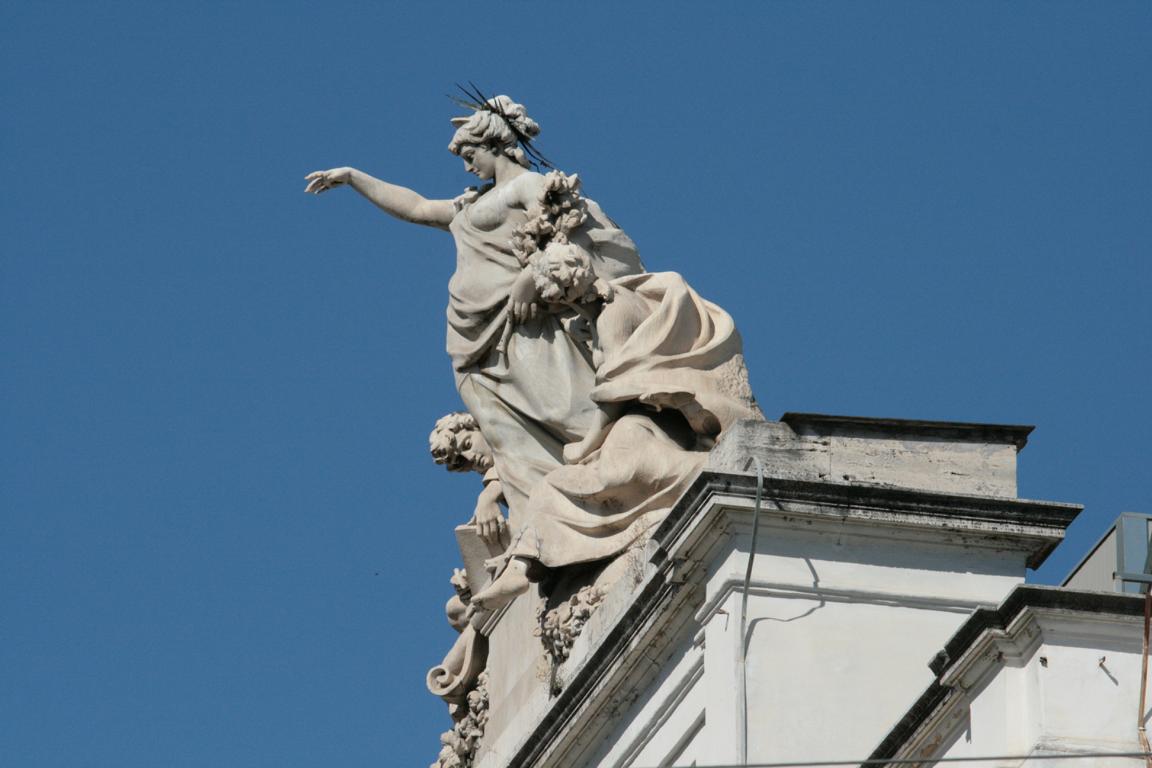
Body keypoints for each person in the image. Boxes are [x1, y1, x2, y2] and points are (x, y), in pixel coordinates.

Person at [305, 95, 644, 528]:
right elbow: (416, 207)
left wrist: (530, 277)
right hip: (472, 338)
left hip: (519, 319)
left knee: (561, 406)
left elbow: (567, 234)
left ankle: (613, 470)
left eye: (470, 155)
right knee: (507, 434)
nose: (467, 167)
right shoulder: (467, 204)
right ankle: (541, 513)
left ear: (495, 144)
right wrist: (354, 177)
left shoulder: (526, 186)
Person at [469, 242, 762, 610]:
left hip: (647, 425)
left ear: (567, 293)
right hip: (644, 423)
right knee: (560, 485)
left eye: (553, 302)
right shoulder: (600, 311)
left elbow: (616, 393)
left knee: (574, 482)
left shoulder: (612, 318)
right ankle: (520, 566)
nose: (554, 311)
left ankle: (522, 565)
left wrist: (586, 445)